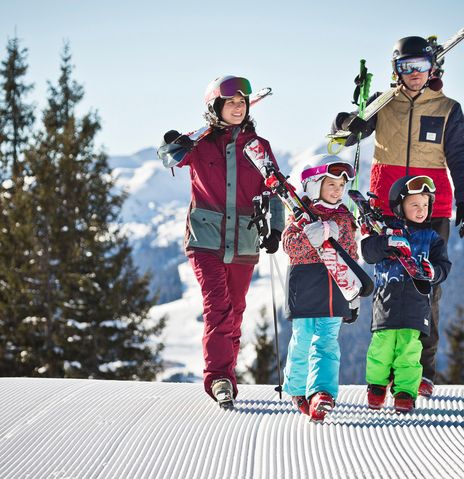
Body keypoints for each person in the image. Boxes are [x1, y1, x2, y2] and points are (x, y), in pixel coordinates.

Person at [331, 35, 464, 397]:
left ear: (433, 67)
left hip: (430, 209)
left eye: (421, 66)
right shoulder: (383, 103)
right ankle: (384, 370)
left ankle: (421, 372)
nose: (415, 74)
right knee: (389, 286)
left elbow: (460, 158)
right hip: (386, 208)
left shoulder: (448, 108)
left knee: (427, 289)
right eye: (406, 67)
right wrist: (347, 121)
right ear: (396, 70)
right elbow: (344, 136)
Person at [157, 76, 285, 408]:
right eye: (230, 103)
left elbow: (274, 190)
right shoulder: (199, 144)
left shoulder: (259, 146)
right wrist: (173, 142)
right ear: (216, 107)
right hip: (206, 237)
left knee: (236, 310)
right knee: (219, 306)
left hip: (244, 238)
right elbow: (169, 157)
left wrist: (275, 229)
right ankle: (218, 379)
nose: (238, 108)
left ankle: (226, 374)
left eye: (242, 103)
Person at [361, 176, 451, 413]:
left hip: (416, 305)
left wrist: (434, 272)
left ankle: (405, 392)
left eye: (425, 205)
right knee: (381, 347)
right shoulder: (387, 231)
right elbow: (367, 252)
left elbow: (444, 266)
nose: (421, 210)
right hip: (386, 303)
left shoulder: (432, 238)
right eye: (414, 205)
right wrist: (386, 243)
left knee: (410, 350)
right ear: (400, 206)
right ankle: (377, 386)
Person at [281, 156, 357, 422]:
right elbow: (291, 247)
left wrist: (354, 295)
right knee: (302, 340)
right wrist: (312, 234)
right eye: (331, 184)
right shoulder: (299, 214)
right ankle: (297, 389)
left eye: (340, 185)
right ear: (313, 185)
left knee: (326, 342)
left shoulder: (345, 217)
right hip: (304, 286)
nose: (337, 190)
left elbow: (351, 254)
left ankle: (322, 393)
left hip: (335, 289)